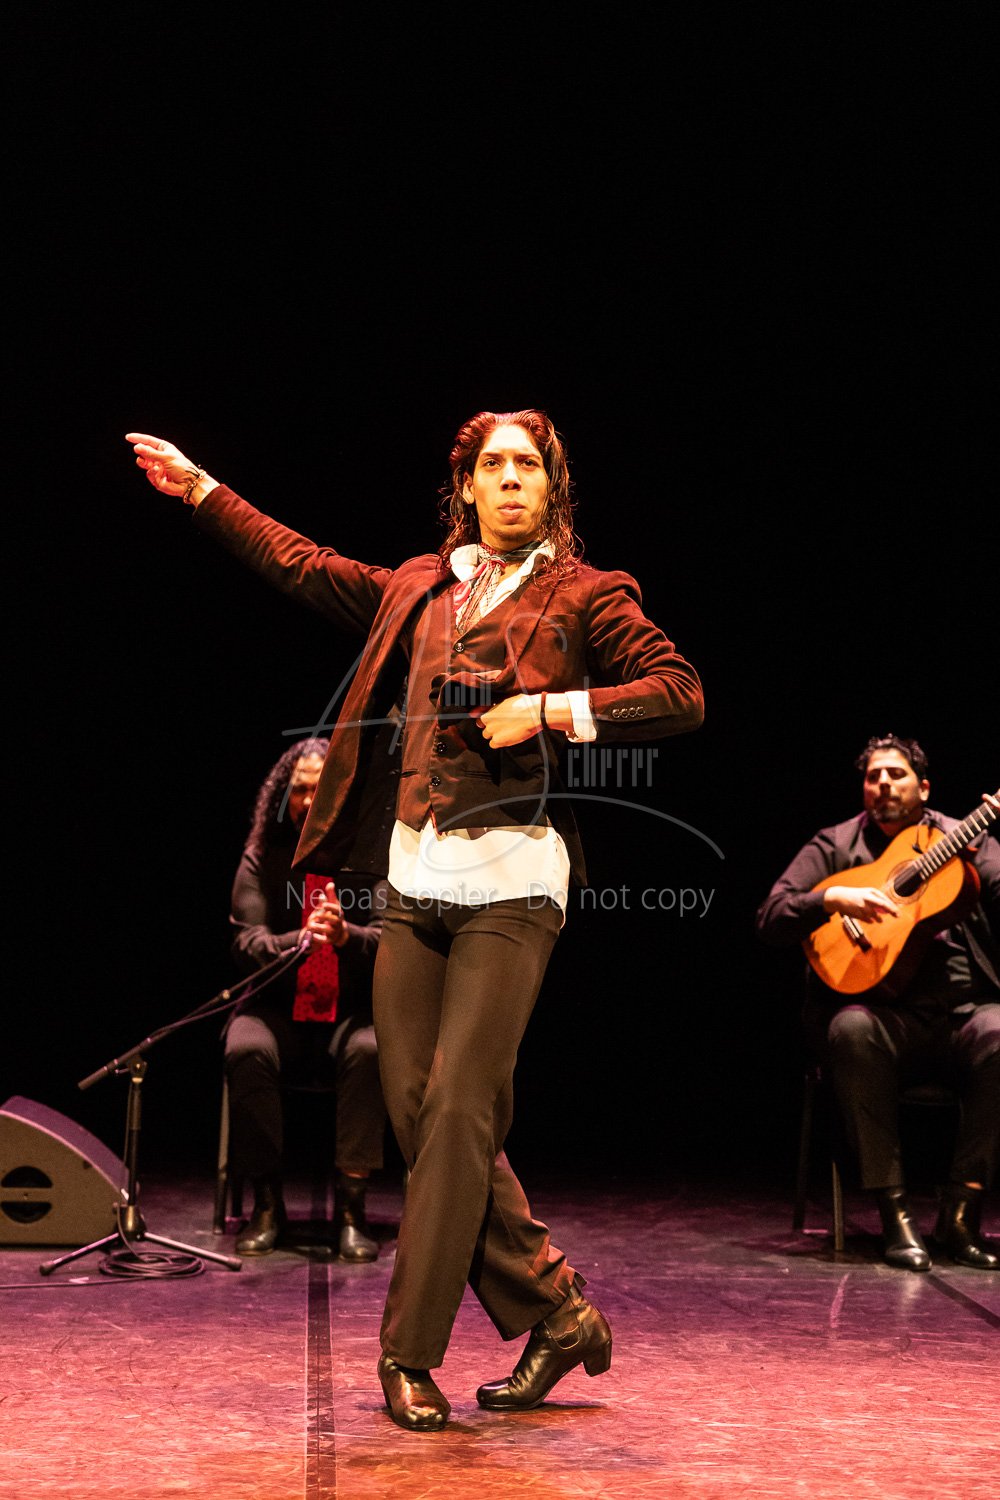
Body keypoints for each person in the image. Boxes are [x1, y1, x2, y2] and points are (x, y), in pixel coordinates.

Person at [125, 408, 704, 1431]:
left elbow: (680, 693)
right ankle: (559, 1312)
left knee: (461, 1113)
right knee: (415, 1113)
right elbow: (302, 565)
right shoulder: (419, 585)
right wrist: (204, 492)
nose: (512, 479)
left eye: (529, 465)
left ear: (552, 488)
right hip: (414, 875)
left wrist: (550, 710)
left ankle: (407, 1352)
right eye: (495, 465)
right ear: (467, 487)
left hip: (514, 877)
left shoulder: (586, 592)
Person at [756, 734, 999, 1272]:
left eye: (896, 774)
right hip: (884, 1020)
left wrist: (986, 859)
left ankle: (961, 1213)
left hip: (964, 1015)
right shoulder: (835, 844)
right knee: (850, 1030)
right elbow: (771, 917)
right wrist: (830, 898)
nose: (884, 783)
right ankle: (895, 1216)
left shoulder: (964, 837)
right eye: (874, 776)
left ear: (924, 788)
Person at [226, 736, 388, 1262]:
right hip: (277, 1009)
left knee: (372, 1049)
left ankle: (352, 1211)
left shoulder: (369, 855)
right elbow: (245, 942)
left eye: (321, 788)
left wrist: (345, 936)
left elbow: (390, 939)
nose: (309, 800)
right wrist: (299, 942)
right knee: (244, 1047)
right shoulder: (262, 856)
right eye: (299, 789)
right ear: (283, 797)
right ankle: (267, 1205)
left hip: (350, 1010)